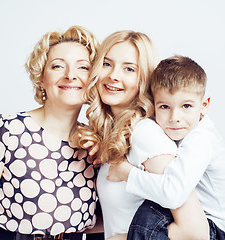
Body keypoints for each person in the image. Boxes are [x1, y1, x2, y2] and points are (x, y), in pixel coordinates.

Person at [0, 26, 100, 240]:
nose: (71, 75)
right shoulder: (6, 132)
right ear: (41, 77)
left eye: (83, 67)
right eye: (58, 66)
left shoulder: (95, 144)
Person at [77, 31, 209, 240]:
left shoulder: (145, 133)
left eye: (129, 68)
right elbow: (121, 216)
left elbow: (195, 232)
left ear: (143, 78)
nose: (113, 75)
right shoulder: (118, 131)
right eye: (107, 64)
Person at [108, 55, 225, 239]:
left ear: (204, 105)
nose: (175, 117)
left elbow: (173, 194)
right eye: (165, 106)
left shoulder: (201, 139)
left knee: (149, 212)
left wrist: (126, 173)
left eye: (186, 106)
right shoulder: (181, 130)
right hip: (198, 216)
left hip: (211, 228)